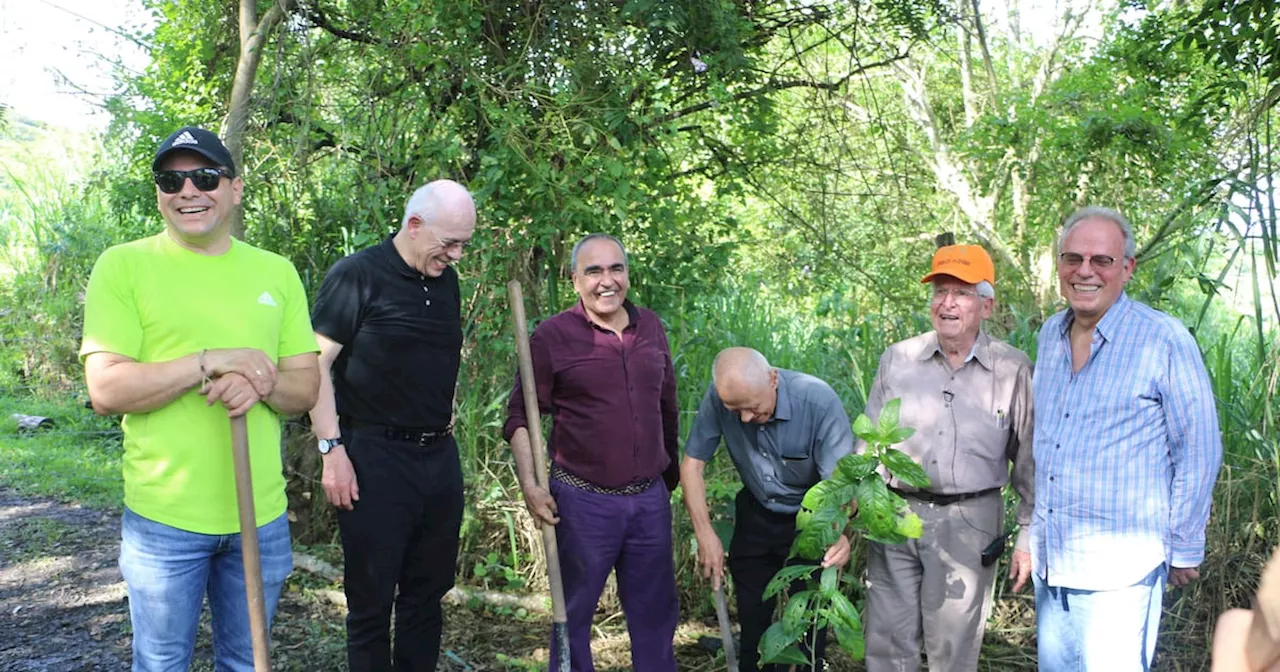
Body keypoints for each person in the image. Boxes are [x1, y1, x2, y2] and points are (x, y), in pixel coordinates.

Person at [81, 126, 320, 671]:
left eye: (205, 176)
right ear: (160, 193)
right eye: (172, 179)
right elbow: (106, 389)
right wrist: (206, 361)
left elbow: (304, 386)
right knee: (162, 662)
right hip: (164, 519)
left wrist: (257, 380)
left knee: (245, 662)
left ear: (234, 189)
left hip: (261, 517)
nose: (188, 190)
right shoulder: (124, 265)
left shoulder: (275, 273)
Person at [1031, 206, 1223, 671]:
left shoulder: (1163, 340)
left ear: (1128, 268)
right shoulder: (1048, 337)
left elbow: (1198, 449)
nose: (1084, 271)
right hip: (1053, 561)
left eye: (1102, 260)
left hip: (1119, 573)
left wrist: (1184, 545)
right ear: (1059, 266)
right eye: (1072, 258)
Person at [307, 180, 477, 671]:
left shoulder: (445, 279)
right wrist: (331, 450)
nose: (458, 254)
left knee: (427, 598)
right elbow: (315, 366)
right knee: (371, 603)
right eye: (450, 242)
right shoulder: (356, 275)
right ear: (414, 224)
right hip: (373, 456)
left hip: (438, 458)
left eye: (464, 243)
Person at [503, 233, 680, 671]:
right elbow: (519, 418)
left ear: (628, 274)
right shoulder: (552, 337)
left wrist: (666, 482)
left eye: (616, 269)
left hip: (648, 502)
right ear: (575, 279)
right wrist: (530, 484)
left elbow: (668, 408)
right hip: (583, 503)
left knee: (656, 616)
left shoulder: (651, 328)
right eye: (594, 271)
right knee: (574, 614)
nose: (607, 281)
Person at [860, 244, 1035, 672]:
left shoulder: (1012, 369)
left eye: (961, 292)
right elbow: (868, 444)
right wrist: (854, 507)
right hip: (894, 515)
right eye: (940, 291)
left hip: (970, 523)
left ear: (987, 305)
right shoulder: (898, 360)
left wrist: (1029, 534)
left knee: (953, 649)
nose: (947, 303)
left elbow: (1029, 459)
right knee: (886, 640)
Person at [681, 347, 854, 672]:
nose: (744, 419)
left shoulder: (817, 402)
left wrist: (841, 534)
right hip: (757, 513)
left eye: (753, 408)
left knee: (809, 626)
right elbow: (692, 466)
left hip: (813, 520)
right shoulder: (721, 397)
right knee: (753, 618)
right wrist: (705, 534)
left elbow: (842, 484)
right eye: (735, 410)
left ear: (773, 379)